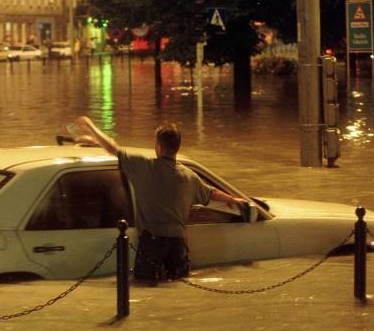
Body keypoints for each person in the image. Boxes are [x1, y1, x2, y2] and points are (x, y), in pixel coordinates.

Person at [73, 116, 245, 282]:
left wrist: (91, 126)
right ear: (177, 147)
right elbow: (212, 193)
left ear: (159, 148)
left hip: (151, 243)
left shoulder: (144, 167)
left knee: (144, 286)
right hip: (177, 246)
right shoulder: (189, 176)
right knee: (179, 288)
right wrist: (235, 200)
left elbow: (113, 148)